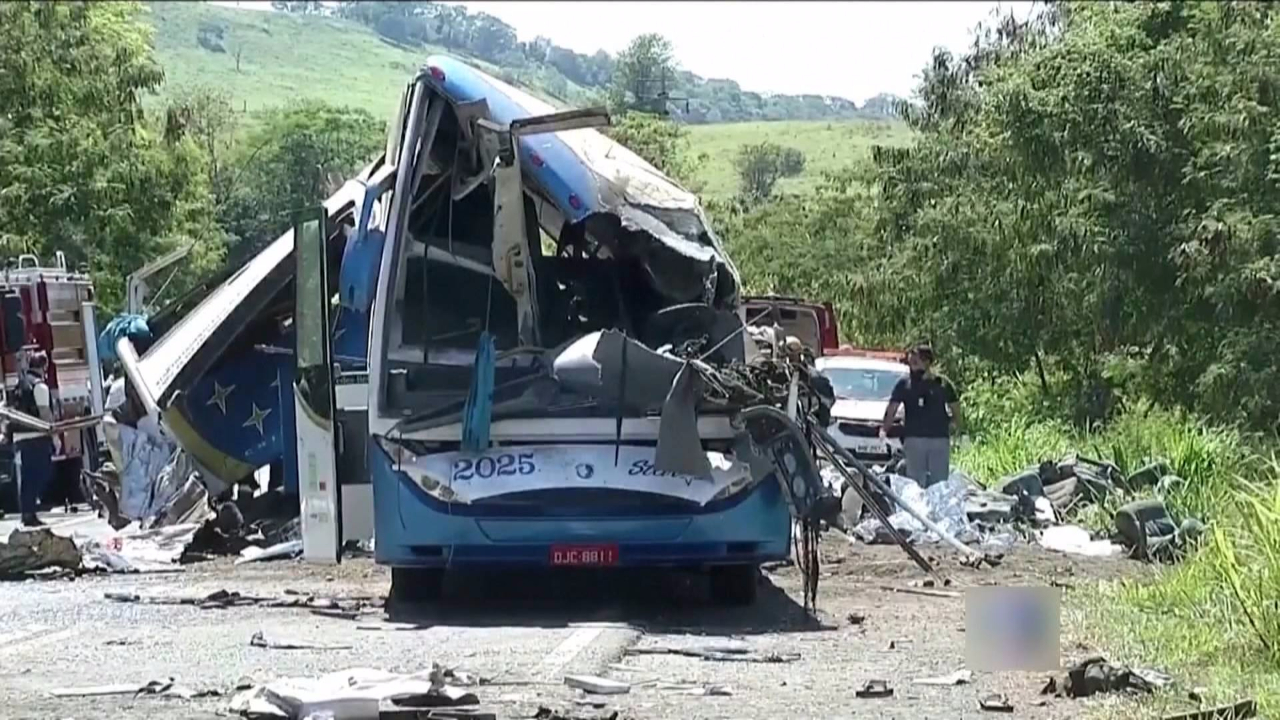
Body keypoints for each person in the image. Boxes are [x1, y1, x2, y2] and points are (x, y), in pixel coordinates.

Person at [880, 343, 962, 487]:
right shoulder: (905, 384)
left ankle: (938, 509)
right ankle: (917, 509)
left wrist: (955, 425)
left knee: (939, 483)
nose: (912, 367)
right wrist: (884, 429)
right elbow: (892, 409)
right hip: (914, 439)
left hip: (939, 440)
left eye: (916, 363)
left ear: (927, 363)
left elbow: (956, 408)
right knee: (915, 483)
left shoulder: (942, 384)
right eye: (910, 363)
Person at [11, 351, 55, 527]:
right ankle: (29, 513)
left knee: (28, 477)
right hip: (37, 436)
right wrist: (54, 435)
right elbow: (45, 414)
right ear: (44, 367)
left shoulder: (20, 385)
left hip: (20, 437)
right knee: (42, 473)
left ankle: (27, 513)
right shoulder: (39, 386)